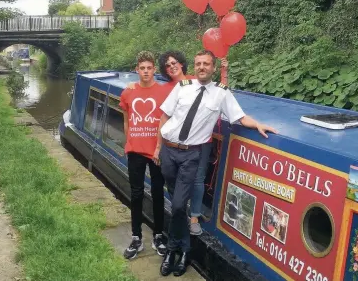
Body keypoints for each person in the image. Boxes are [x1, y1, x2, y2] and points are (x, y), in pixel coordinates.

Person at [158, 50, 278, 277]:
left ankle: (177, 250)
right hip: (168, 152)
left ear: (213, 68)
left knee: (176, 206)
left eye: (206, 64)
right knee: (178, 206)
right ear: (194, 66)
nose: (202, 67)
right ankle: (179, 248)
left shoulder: (221, 94)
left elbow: (240, 117)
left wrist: (258, 124)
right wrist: (158, 147)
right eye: (198, 63)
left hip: (191, 156)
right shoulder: (182, 87)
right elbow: (164, 116)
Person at [129, 50, 229, 236]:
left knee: (198, 179)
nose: (172, 66)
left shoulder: (195, 79)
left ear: (182, 63)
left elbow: (219, 93)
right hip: (175, 144)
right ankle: (179, 214)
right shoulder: (166, 88)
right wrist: (133, 86)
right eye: (167, 65)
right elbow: (156, 106)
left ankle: (194, 217)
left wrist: (224, 73)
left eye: (175, 62)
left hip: (200, 141)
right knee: (174, 181)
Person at [119, 51, 167, 260]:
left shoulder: (164, 92)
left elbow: (166, 122)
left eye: (149, 68)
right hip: (136, 151)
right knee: (136, 194)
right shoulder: (128, 93)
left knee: (158, 194)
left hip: (156, 151)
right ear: (136, 70)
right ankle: (136, 237)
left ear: (154, 69)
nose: (146, 71)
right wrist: (129, 140)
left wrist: (160, 147)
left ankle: (158, 235)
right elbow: (126, 120)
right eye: (142, 68)